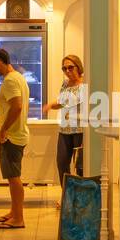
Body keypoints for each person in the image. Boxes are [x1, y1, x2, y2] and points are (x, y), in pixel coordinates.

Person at [0, 47, 30, 229]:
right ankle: (14, 212)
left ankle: (18, 218)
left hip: (12, 137)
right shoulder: (19, 77)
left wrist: (3, 129)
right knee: (13, 177)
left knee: (14, 178)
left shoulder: (10, 81)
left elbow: (17, 106)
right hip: (17, 134)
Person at [45, 54, 87, 185]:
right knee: (62, 163)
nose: (67, 71)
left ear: (78, 67)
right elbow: (62, 102)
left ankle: (81, 197)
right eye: (64, 69)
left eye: (70, 67)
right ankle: (66, 196)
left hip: (80, 130)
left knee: (80, 166)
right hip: (64, 130)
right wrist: (51, 105)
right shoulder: (65, 83)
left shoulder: (85, 83)